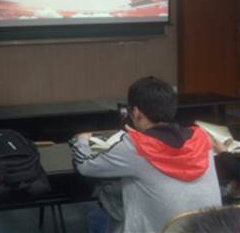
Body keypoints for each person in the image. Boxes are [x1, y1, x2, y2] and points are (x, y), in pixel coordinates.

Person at [69, 76, 222, 233]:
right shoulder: (201, 138)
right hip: (208, 229)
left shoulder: (135, 147)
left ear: (136, 112)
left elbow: (84, 164)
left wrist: (82, 139)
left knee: (102, 204)